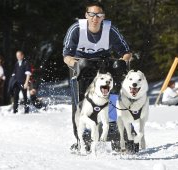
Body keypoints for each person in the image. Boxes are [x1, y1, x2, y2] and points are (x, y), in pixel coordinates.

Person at [63, 1, 132, 150]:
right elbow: (66, 56)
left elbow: (126, 53)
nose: (95, 18)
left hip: (103, 65)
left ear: (103, 17)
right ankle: (82, 138)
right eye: (92, 14)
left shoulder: (110, 30)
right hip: (81, 66)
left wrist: (122, 62)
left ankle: (114, 130)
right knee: (81, 101)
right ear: (86, 15)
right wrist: (75, 65)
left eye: (99, 15)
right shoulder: (76, 29)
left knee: (111, 95)